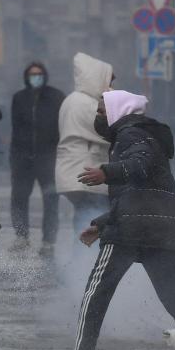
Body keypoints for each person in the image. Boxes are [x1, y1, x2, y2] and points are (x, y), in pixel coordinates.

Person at [46, 90, 175, 350]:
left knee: (95, 293)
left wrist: (106, 172)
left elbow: (140, 165)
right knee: (172, 293)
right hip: (160, 227)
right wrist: (102, 224)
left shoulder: (131, 136)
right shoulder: (146, 134)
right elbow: (138, 192)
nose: (99, 117)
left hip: (132, 230)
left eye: (102, 111)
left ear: (117, 110)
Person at [55, 53, 114, 246]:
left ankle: (77, 263)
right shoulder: (85, 103)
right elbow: (106, 130)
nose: (111, 85)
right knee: (91, 218)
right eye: (109, 80)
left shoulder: (74, 100)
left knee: (84, 215)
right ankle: (82, 264)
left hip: (75, 171)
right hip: (86, 172)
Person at [10, 62, 66, 255]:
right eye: (33, 74)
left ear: (45, 75)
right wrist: (14, 158)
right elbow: (15, 129)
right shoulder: (19, 98)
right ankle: (21, 237)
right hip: (23, 158)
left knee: (51, 199)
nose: (36, 77)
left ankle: (48, 241)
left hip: (48, 157)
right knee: (19, 197)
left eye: (39, 74)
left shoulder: (56, 97)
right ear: (26, 77)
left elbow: (63, 126)